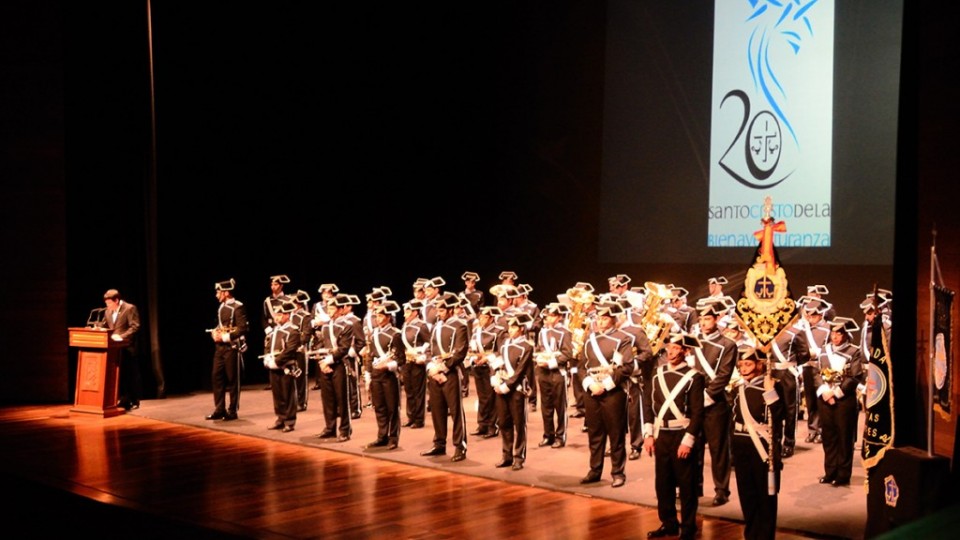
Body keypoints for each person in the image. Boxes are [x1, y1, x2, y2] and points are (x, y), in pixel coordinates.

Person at [643, 333, 705, 540]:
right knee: (663, 483)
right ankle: (669, 523)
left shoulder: (695, 377)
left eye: (676, 348)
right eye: (669, 347)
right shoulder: (657, 373)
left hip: (681, 435)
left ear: (686, 351)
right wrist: (648, 434)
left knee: (687, 485)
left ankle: (688, 528)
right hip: (662, 435)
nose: (671, 351)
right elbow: (648, 405)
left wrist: (688, 441)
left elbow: (697, 413)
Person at [578, 300, 636, 488]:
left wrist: (606, 384)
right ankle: (595, 470)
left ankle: (618, 472)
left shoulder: (623, 338)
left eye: (605, 318)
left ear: (613, 319)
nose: (601, 322)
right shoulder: (589, 339)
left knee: (616, 433)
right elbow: (581, 367)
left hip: (612, 391)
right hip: (592, 390)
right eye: (599, 318)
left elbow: (626, 366)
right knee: (594, 432)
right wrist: (589, 384)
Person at [731, 347, 785, 540]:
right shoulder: (738, 387)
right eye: (741, 365)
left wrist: (770, 393)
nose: (744, 368)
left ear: (759, 365)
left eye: (748, 364)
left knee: (765, 497)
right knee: (747, 494)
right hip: (741, 444)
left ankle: (765, 535)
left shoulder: (770, 384)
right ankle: (751, 534)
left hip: (761, 446)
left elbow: (779, 415)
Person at [693, 298, 738, 506]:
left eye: (707, 318)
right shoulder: (691, 342)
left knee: (718, 449)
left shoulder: (728, 344)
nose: (703, 323)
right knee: (694, 447)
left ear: (717, 319)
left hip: (715, 402)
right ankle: (695, 487)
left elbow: (724, 374)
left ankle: (722, 490)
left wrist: (706, 395)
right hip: (693, 402)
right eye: (701, 319)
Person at [815, 317, 866, 487]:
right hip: (825, 398)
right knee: (829, 437)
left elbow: (855, 376)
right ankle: (830, 472)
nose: (835, 336)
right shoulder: (824, 350)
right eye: (833, 333)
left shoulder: (854, 351)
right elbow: (816, 373)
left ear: (845, 335)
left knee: (844, 438)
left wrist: (835, 394)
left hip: (844, 401)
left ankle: (843, 474)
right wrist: (824, 392)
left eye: (839, 333)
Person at [421, 292, 470, 462]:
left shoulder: (460, 326)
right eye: (438, 310)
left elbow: (460, 351)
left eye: (441, 310)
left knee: (455, 411)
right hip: (435, 373)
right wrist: (431, 367)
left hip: (450, 373)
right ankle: (439, 443)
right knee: (437, 409)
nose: (438, 313)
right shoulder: (436, 326)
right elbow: (430, 349)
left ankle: (460, 446)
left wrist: (442, 368)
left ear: (450, 309)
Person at [490, 312, 535, 470]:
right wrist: (495, 378)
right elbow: (498, 363)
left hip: (516, 389)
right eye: (510, 326)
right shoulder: (504, 343)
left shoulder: (527, 347)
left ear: (522, 328)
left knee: (519, 423)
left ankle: (518, 456)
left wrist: (506, 385)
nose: (511, 329)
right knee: (503, 422)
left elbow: (520, 371)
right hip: (501, 386)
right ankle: (506, 455)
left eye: (514, 326)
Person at [364, 300, 405, 450]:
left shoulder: (395, 334)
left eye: (381, 315)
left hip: (389, 376)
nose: (378, 318)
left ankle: (393, 438)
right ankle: (382, 436)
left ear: (388, 317)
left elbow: (401, 359)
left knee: (392, 407)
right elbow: (370, 355)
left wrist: (387, 365)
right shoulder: (373, 333)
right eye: (376, 315)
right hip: (376, 375)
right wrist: (368, 373)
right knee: (379, 406)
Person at [207, 279, 249, 421]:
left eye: (218, 292)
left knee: (233, 380)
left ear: (226, 292)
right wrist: (215, 332)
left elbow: (243, 328)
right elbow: (220, 324)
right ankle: (219, 409)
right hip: (219, 349)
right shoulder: (221, 307)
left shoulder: (238, 307)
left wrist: (225, 337)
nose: (216, 295)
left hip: (231, 347)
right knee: (216, 376)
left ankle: (232, 410)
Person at [314, 295, 353, 442]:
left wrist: (328, 361)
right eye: (328, 308)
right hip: (325, 364)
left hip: (339, 365)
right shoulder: (325, 326)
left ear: (341, 310)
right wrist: (322, 362)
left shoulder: (347, 325)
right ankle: (330, 428)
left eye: (332, 308)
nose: (329, 311)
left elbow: (343, 348)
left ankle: (345, 430)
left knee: (342, 398)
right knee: (328, 398)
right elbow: (321, 346)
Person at [534, 302, 574, 448]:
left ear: (559, 317)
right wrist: (538, 358)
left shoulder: (565, 332)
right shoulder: (542, 332)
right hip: (543, 373)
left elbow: (567, 354)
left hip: (558, 373)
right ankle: (548, 435)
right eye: (547, 316)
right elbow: (539, 349)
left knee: (560, 406)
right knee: (546, 406)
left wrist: (550, 362)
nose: (548, 318)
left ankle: (560, 436)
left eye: (551, 316)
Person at [767, 315, 807, 458]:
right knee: (773, 408)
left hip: (789, 373)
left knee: (791, 410)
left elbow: (804, 354)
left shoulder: (796, 332)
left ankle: (789, 443)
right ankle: (775, 440)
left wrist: (793, 364)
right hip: (772, 374)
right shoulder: (767, 331)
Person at [468, 305, 506, 439]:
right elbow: (472, 347)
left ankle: (492, 426)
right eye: (480, 316)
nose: (481, 319)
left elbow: (501, 350)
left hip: (491, 366)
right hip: (478, 366)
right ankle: (482, 424)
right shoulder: (476, 331)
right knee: (482, 397)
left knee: (491, 398)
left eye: (484, 317)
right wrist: (474, 358)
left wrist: (486, 358)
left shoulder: (499, 331)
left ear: (491, 318)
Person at [797, 297, 832, 444]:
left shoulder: (828, 329)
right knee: (810, 401)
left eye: (813, 316)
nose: (810, 319)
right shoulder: (803, 329)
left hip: (821, 368)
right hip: (807, 367)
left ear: (820, 315)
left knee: (821, 400)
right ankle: (812, 429)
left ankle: (822, 431)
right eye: (809, 315)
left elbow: (829, 348)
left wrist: (816, 352)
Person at [262, 299, 300, 433]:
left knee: (288, 395)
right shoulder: (275, 330)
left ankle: (289, 421)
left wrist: (277, 361)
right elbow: (268, 345)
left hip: (286, 368)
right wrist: (267, 357)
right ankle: (280, 418)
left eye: (279, 315)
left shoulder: (293, 331)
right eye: (276, 315)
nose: (276, 317)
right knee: (277, 395)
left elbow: (290, 350)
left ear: (287, 315)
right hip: (274, 367)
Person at [103, 289, 141, 410]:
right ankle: (122, 400)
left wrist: (121, 336)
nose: (107, 306)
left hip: (127, 347)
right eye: (106, 303)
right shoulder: (107, 311)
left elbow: (135, 326)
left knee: (130, 375)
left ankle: (134, 400)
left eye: (109, 303)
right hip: (114, 349)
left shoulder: (129, 308)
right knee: (119, 376)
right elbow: (106, 326)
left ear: (117, 300)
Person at [400, 299, 431, 429]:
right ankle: (411, 417)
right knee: (409, 390)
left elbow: (428, 342)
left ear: (415, 312)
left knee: (418, 391)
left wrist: (421, 353)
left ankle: (419, 419)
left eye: (407, 311)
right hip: (406, 361)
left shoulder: (421, 326)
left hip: (417, 361)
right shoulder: (405, 325)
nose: (404, 314)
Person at [262, 274, 290, 390]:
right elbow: (263, 317)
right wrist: (267, 328)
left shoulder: (287, 300)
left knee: (282, 353)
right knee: (270, 354)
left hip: (283, 330)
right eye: (272, 284)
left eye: (276, 284)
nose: (273, 286)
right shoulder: (267, 301)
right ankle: (272, 380)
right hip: (272, 330)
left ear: (281, 286)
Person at [290, 290, 313, 412]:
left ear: (298, 304)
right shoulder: (288, 315)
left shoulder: (305, 316)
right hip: (289, 350)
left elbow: (306, 335)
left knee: (300, 377)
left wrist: (296, 344)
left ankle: (301, 402)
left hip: (300, 350)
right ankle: (292, 401)